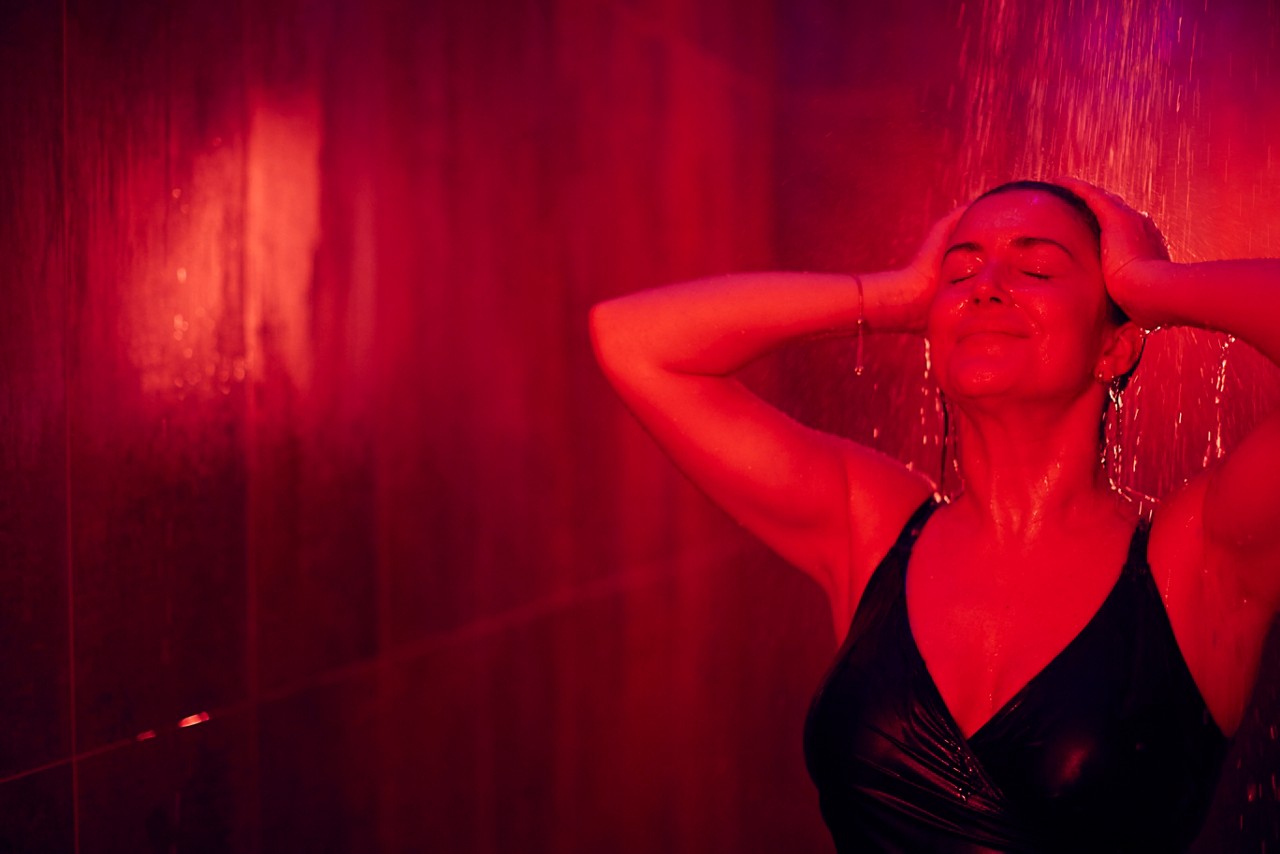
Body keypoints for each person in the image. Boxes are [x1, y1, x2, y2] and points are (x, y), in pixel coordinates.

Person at [588, 179, 1280, 851]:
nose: (986, 285)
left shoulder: (1201, 559)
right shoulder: (873, 524)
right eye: (959, 272)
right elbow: (632, 338)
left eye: (1036, 268)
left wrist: (1148, 283)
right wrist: (886, 297)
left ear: (1116, 346)